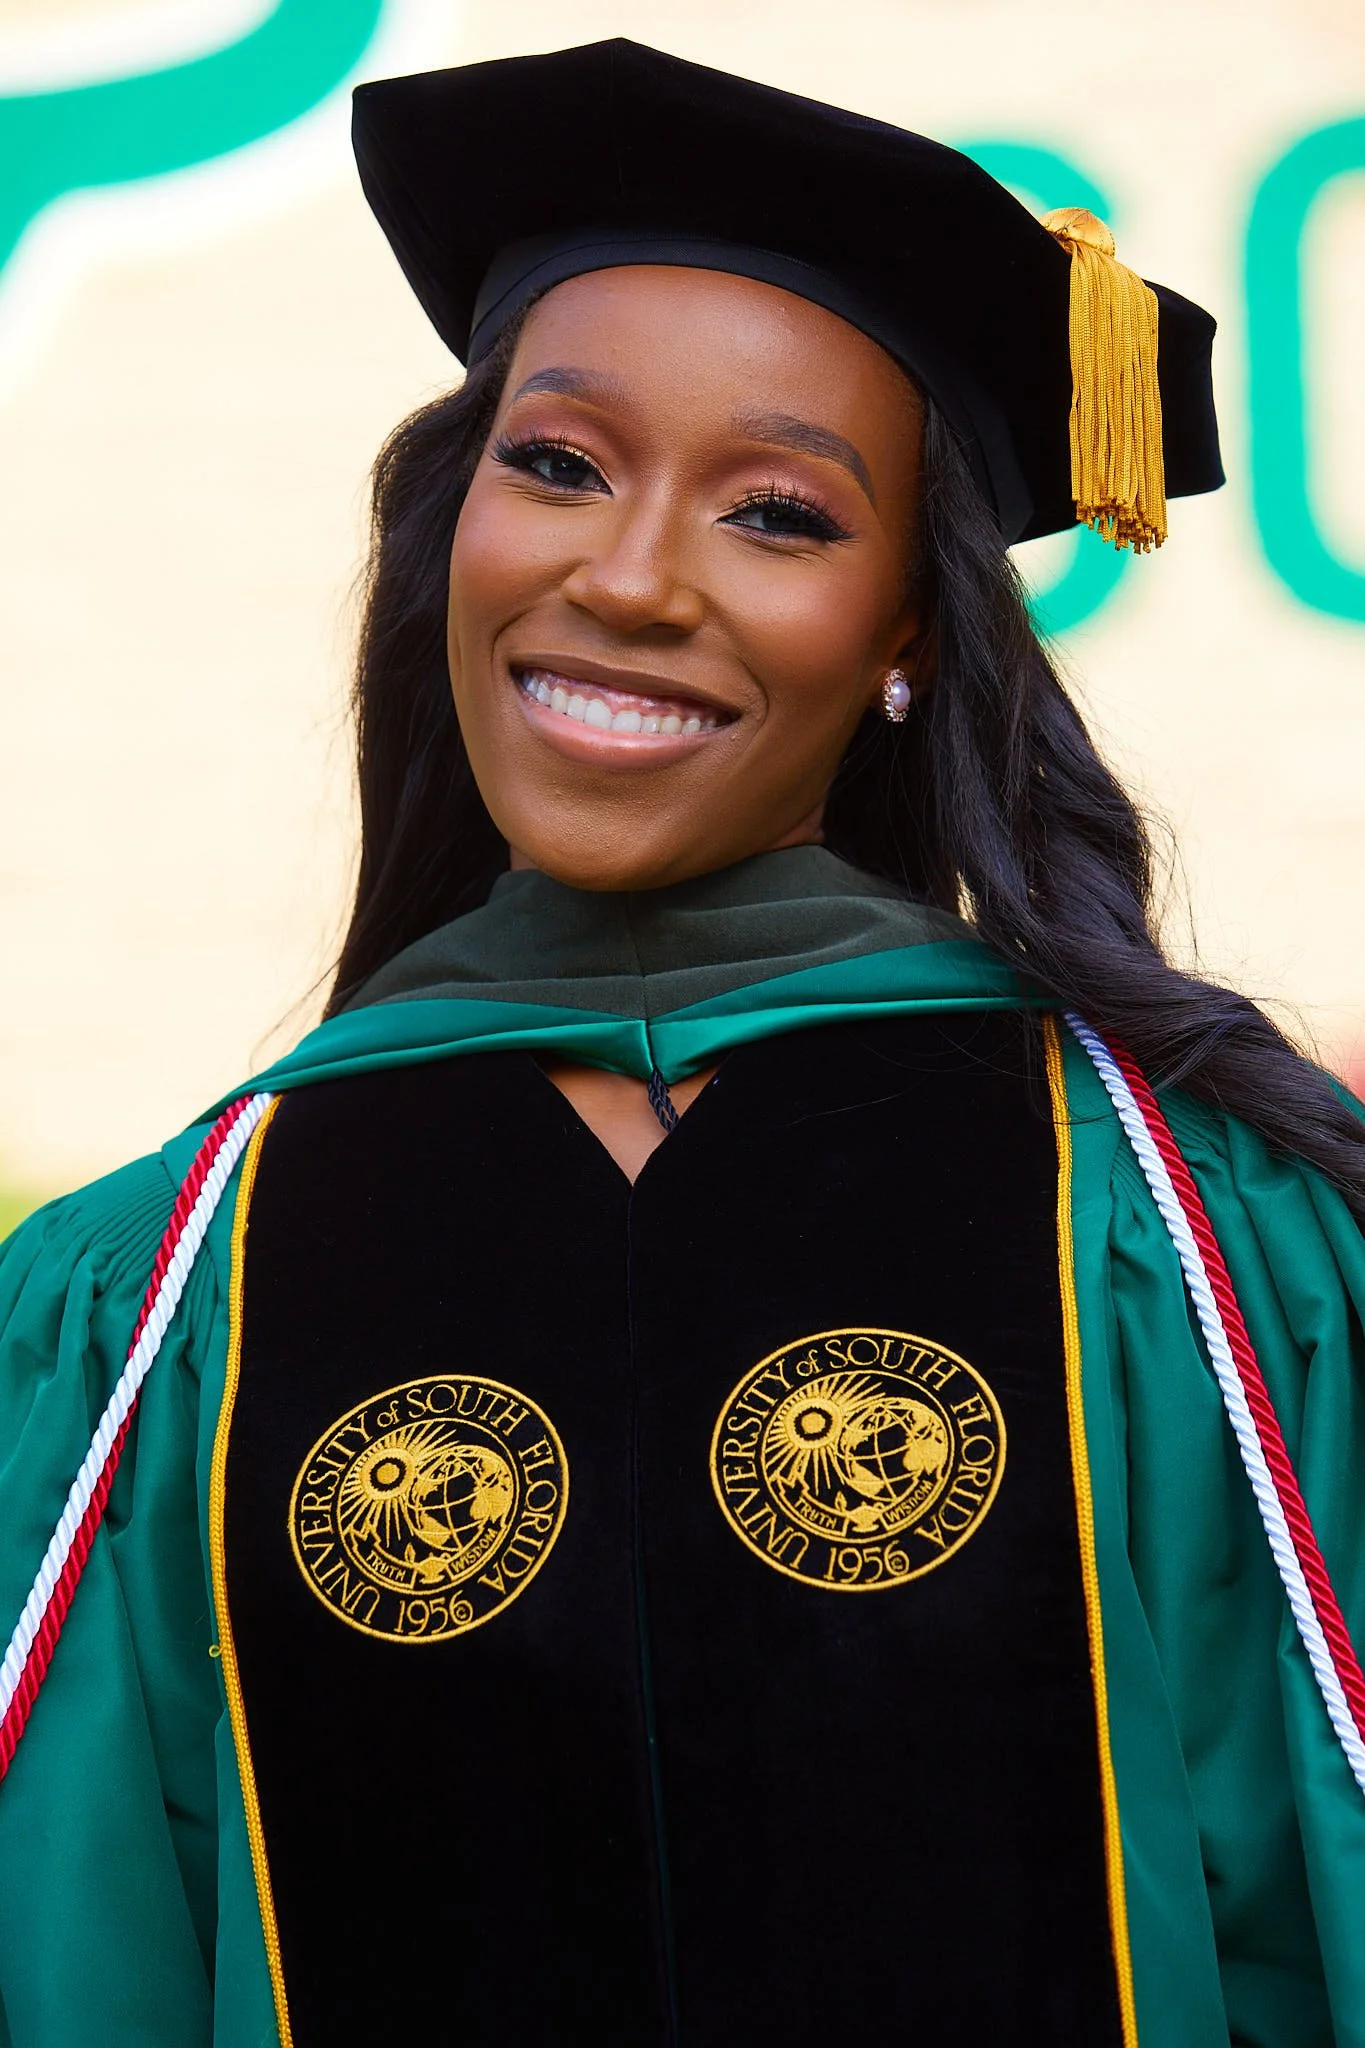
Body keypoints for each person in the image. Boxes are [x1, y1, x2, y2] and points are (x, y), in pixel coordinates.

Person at [0, 37, 1362, 2048]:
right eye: (556, 464)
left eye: (777, 514)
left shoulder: (1210, 1249)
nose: (623, 578)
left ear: (911, 632)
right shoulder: (157, 1297)